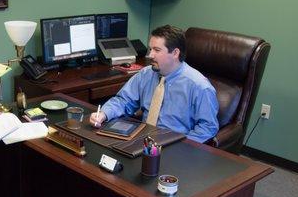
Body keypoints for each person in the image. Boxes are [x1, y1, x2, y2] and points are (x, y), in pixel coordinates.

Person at [90, 25, 219, 143]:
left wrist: (181, 146)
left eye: (157, 50)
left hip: (175, 146)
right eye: (150, 49)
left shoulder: (199, 87)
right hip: (142, 141)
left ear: (175, 53)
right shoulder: (146, 73)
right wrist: (103, 114)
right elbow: (124, 100)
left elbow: (207, 129)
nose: (150, 55)